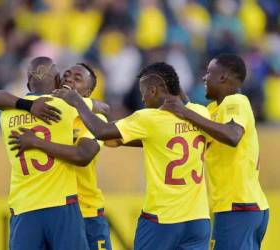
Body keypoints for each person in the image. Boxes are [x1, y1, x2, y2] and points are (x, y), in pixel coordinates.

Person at [54, 62, 211, 250]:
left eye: (143, 92)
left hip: (162, 218)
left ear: (153, 90)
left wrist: (78, 101)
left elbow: (102, 132)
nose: (143, 99)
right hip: (198, 219)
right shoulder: (201, 113)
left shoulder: (149, 118)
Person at [0, 57, 92, 250]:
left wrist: (28, 106)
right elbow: (101, 108)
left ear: (27, 84)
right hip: (61, 203)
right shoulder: (69, 108)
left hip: (24, 206)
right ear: (58, 81)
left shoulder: (6, 114)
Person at [162, 54, 269, 250]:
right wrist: (177, 93)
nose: (204, 77)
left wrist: (185, 112)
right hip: (242, 207)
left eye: (209, 72)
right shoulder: (214, 109)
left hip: (238, 206)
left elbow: (232, 136)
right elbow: (198, 122)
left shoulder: (236, 101)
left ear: (223, 77)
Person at [9, 63, 112, 250]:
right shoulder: (46, 113)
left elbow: (83, 155)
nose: (69, 79)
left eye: (77, 78)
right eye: (66, 75)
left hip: (86, 212)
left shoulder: (96, 123)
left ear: (87, 93)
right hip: (52, 211)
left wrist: (36, 142)